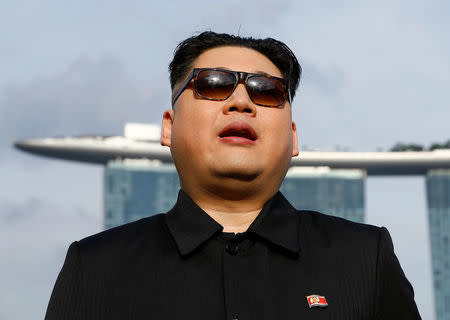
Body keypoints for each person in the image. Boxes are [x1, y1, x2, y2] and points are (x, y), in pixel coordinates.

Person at [45, 31, 421, 319]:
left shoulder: (364, 259)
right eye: (212, 84)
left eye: (268, 92)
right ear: (168, 127)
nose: (241, 102)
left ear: (292, 137)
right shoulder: (94, 267)